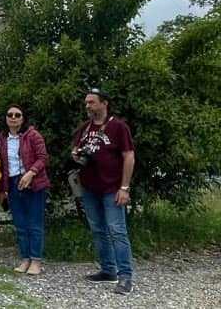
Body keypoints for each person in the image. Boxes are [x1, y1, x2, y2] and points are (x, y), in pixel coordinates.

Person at [73, 89, 136, 295]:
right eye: (86, 103)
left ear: (104, 103)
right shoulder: (85, 128)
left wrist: (124, 188)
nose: (88, 106)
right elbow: (76, 151)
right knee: (98, 230)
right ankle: (108, 270)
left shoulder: (119, 127)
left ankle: (125, 276)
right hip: (90, 187)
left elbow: (128, 156)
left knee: (117, 231)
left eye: (91, 102)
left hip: (112, 187)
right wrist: (76, 154)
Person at [0, 105, 50, 275]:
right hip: (13, 183)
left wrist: (31, 173)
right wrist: (1, 189)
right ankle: (25, 258)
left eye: (17, 115)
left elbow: (43, 158)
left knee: (34, 224)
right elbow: (1, 165)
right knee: (20, 224)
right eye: (10, 114)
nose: (13, 117)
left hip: (33, 182)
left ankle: (36, 260)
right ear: (6, 118)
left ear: (23, 118)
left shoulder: (33, 135)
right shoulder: (2, 138)